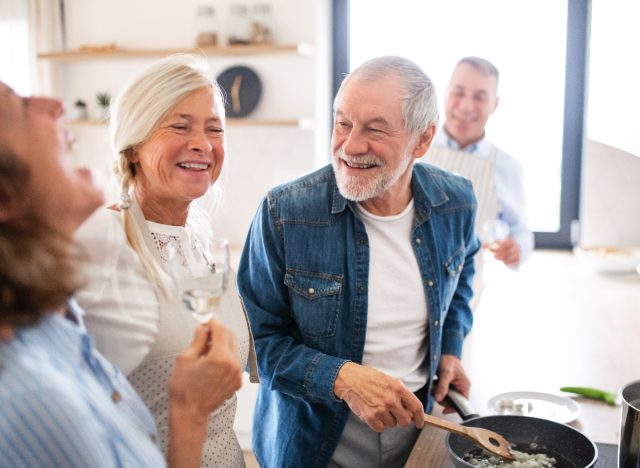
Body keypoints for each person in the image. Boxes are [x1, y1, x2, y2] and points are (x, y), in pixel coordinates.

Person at [238, 56, 480, 468]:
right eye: (342, 123)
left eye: (375, 129)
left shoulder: (456, 202)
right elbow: (254, 345)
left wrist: (451, 348)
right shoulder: (285, 212)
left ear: (422, 140)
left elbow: (463, 273)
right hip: (314, 441)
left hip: (419, 428)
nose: (349, 146)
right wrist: (342, 379)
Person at [0, 81, 243, 467]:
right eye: (19, 106)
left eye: (214, 128)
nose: (55, 103)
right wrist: (190, 414)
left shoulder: (56, 331)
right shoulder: (36, 400)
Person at [73, 55, 259, 467]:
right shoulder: (99, 242)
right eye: (180, 125)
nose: (203, 143)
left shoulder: (202, 238)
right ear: (134, 145)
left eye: (215, 129)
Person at [422, 56, 533, 271]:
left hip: (471, 289)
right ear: (445, 94)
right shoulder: (415, 149)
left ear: (495, 104)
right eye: (459, 92)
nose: (466, 106)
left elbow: (521, 231)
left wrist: (516, 248)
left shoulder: (506, 167)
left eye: (480, 97)